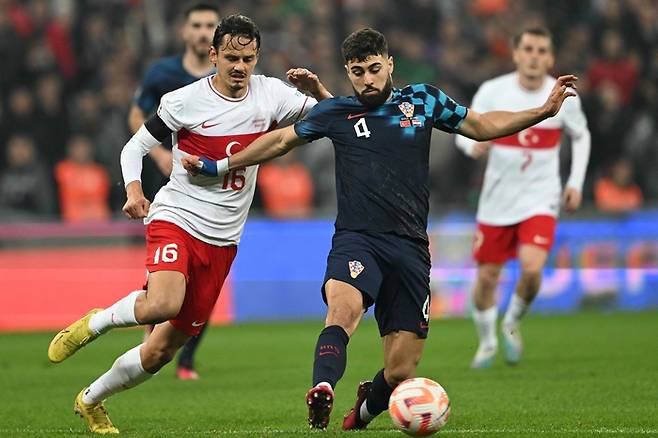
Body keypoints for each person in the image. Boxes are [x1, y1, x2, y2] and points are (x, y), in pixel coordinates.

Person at [181, 27, 579, 430]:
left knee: (401, 369)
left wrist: (542, 112)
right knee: (343, 311)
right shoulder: (336, 113)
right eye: (358, 72)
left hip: (410, 247)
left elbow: (480, 124)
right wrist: (220, 165)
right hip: (358, 239)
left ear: (390, 64)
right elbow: (280, 141)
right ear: (348, 73)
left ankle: (364, 411)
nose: (367, 79)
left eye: (374, 69)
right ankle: (322, 387)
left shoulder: (422, 100)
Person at [47, 14, 331, 434]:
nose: (239, 67)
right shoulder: (184, 101)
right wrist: (133, 192)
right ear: (213, 55)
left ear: (257, 58)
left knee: (161, 351)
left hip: (223, 240)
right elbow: (134, 148)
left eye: (248, 59)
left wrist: (318, 91)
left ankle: (91, 400)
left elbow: (337, 117)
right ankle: (97, 322)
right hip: (177, 215)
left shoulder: (271, 94)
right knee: (162, 303)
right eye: (231, 57)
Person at [454, 27, 591, 369]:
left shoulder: (560, 94)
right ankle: (487, 342)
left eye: (541, 50)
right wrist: (471, 145)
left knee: (531, 270)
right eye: (528, 49)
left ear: (550, 58)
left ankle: (511, 323)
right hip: (497, 201)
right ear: (516, 54)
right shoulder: (493, 91)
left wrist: (575, 182)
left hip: (540, 198)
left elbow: (581, 135)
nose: (534, 56)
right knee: (487, 278)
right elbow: (460, 126)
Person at [129, 1, 220, 380]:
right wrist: (160, 154)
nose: (202, 32)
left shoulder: (230, 75)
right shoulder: (163, 73)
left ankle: (184, 358)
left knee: (206, 279)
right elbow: (137, 116)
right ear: (185, 32)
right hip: (167, 184)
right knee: (172, 271)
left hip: (216, 191)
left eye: (209, 26)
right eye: (196, 25)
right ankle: (153, 308)